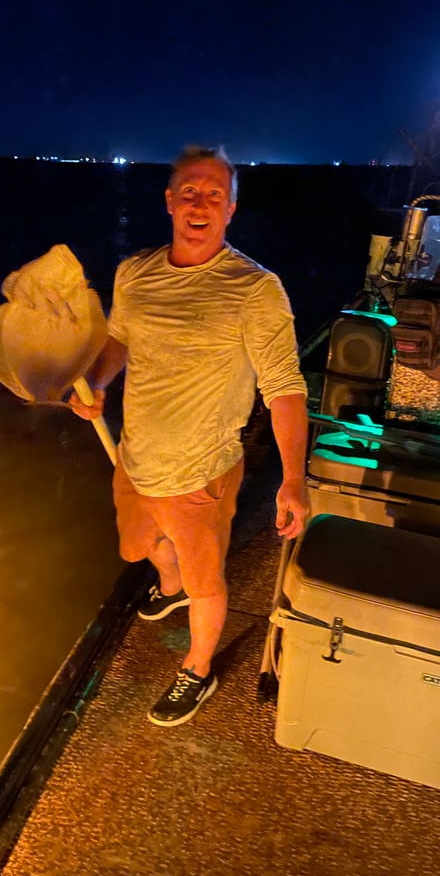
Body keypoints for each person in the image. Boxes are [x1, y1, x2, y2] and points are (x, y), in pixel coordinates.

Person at [69, 145, 309, 727]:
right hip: (134, 457)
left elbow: (283, 387)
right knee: (140, 549)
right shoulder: (135, 273)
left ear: (230, 210)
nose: (201, 203)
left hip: (202, 473)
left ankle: (197, 670)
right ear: (170, 201)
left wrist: (294, 480)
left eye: (215, 195)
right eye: (190, 192)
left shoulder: (255, 290)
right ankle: (168, 584)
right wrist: (96, 381)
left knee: (208, 582)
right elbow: (120, 339)